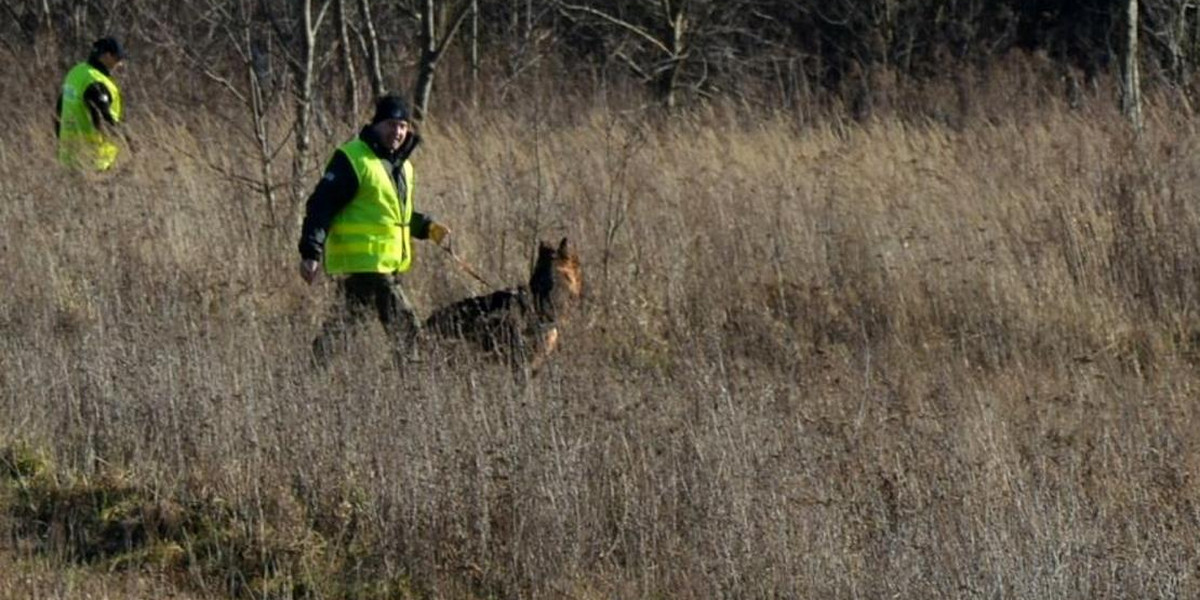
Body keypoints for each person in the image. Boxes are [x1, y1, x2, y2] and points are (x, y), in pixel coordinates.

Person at [298, 94, 451, 365]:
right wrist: (311, 251)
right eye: (391, 124)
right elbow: (321, 204)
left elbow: (393, 215)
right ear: (377, 124)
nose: (398, 132)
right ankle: (413, 382)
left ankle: (310, 374)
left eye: (403, 126)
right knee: (406, 330)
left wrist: (427, 228)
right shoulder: (353, 158)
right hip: (368, 264)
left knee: (343, 327)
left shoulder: (403, 167)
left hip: (383, 264)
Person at [56, 37, 128, 171]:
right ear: (107, 56)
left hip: (67, 157)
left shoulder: (76, 72)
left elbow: (60, 108)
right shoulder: (95, 81)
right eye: (118, 58)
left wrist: (59, 139)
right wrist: (128, 142)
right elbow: (103, 119)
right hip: (93, 160)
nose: (120, 63)